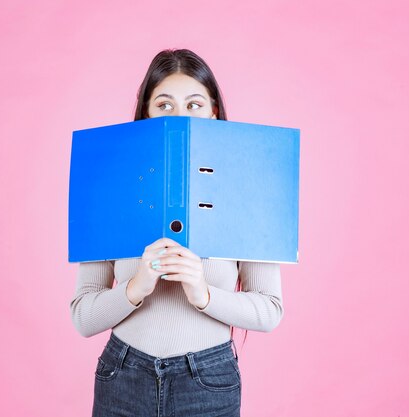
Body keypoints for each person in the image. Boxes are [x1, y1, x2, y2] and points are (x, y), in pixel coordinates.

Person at [70, 49, 284, 417]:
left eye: (195, 104)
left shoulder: (250, 188)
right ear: (147, 112)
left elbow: (269, 311)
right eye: (164, 104)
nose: (181, 116)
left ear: (213, 111)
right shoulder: (110, 183)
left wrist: (202, 293)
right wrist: (136, 286)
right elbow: (83, 318)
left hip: (208, 380)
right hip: (122, 375)